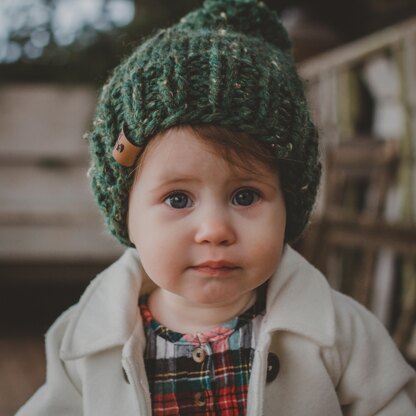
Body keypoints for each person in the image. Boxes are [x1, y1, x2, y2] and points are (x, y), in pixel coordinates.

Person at [17, 0, 415, 415]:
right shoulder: (85, 340)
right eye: (177, 199)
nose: (214, 229)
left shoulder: (340, 331)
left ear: (290, 206)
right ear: (125, 213)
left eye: (245, 196)